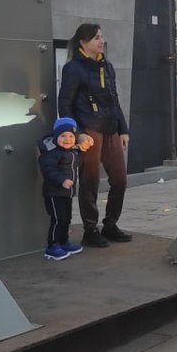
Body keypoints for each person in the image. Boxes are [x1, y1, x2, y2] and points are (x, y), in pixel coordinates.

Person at [58, 23, 131, 247]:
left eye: (102, 37)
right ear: (83, 42)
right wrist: (76, 133)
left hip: (110, 130)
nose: (101, 41)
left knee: (120, 180)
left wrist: (123, 129)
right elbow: (65, 103)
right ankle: (90, 229)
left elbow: (114, 99)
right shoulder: (73, 68)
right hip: (88, 131)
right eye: (96, 38)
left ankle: (110, 225)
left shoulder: (106, 66)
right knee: (90, 182)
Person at [37, 118, 94, 260]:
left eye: (71, 136)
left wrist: (85, 144)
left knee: (66, 219)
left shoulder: (73, 152)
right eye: (63, 136)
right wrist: (61, 180)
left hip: (67, 193)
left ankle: (64, 242)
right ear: (56, 137)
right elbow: (48, 170)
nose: (67, 139)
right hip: (54, 192)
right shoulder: (51, 153)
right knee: (57, 219)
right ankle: (52, 246)